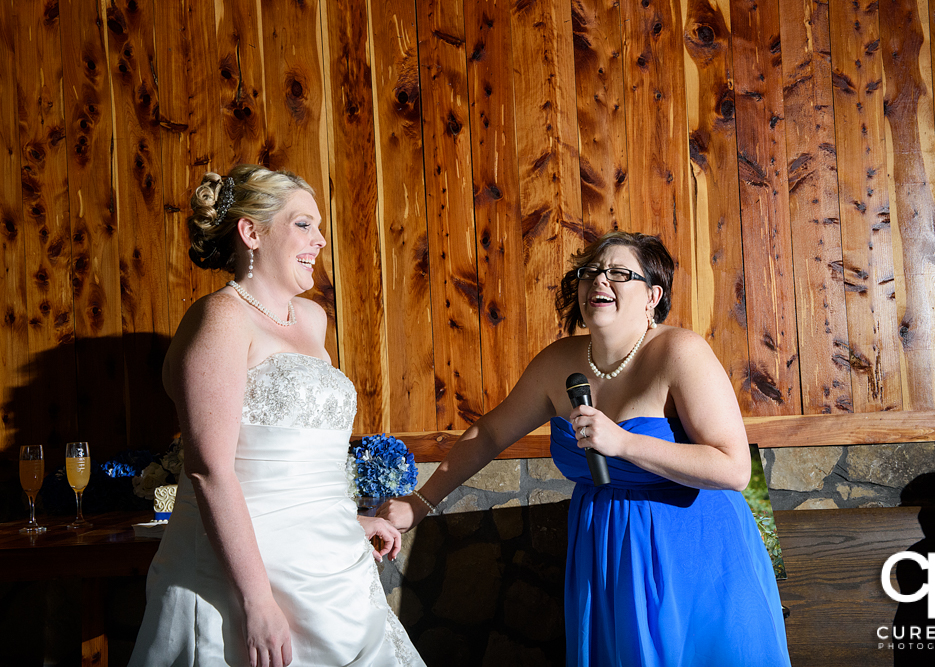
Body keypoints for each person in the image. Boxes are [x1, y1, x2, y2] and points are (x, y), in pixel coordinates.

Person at [380, 231, 791, 666]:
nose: (599, 281)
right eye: (590, 272)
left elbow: (734, 469)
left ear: (653, 295)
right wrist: (419, 503)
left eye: (618, 273)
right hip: (606, 545)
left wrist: (625, 443)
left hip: (696, 554)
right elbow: (491, 434)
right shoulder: (559, 362)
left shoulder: (680, 352)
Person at [129, 165, 425, 667]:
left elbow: (295, 463)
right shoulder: (221, 318)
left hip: (330, 568)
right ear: (251, 232)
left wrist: (346, 520)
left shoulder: (313, 320)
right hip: (247, 577)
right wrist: (256, 601)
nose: (321, 240)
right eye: (304, 224)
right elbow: (211, 470)